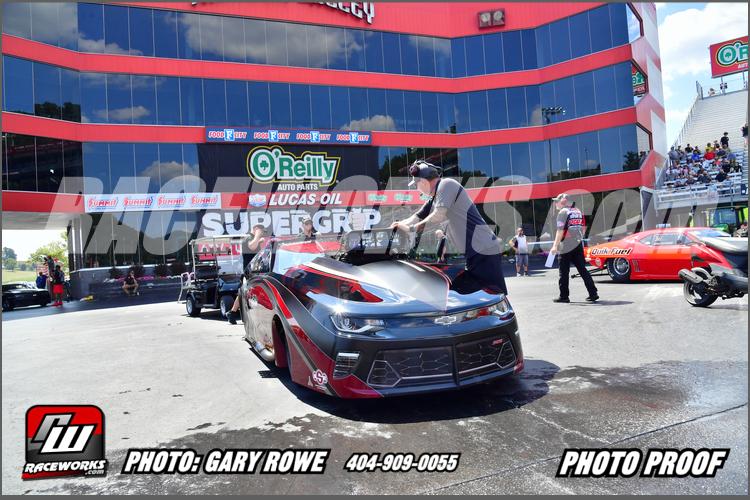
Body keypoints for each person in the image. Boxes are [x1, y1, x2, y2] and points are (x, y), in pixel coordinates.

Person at [391, 161, 507, 294]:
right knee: (480, 295)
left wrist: (410, 229)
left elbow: (437, 216)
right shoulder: (435, 197)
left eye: (415, 185)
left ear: (423, 182)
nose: (416, 189)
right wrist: (398, 225)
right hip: (475, 252)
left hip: (484, 249)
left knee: (494, 295)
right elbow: (417, 217)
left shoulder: (446, 185)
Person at [550, 193, 598, 303]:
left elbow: (560, 231)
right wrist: (579, 239)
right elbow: (583, 228)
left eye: (557, 201)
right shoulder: (578, 211)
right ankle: (593, 293)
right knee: (582, 269)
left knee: (564, 271)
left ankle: (564, 296)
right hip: (577, 243)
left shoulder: (563, 212)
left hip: (566, 244)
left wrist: (555, 246)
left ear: (563, 201)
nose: (556, 204)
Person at [226, 224, 265, 324]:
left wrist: (259, 241)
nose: (262, 233)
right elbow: (251, 247)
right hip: (249, 271)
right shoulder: (249, 237)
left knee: (246, 292)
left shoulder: (254, 239)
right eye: (261, 231)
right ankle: (232, 312)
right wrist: (257, 236)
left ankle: (233, 312)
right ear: (256, 229)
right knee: (244, 292)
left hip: (254, 270)